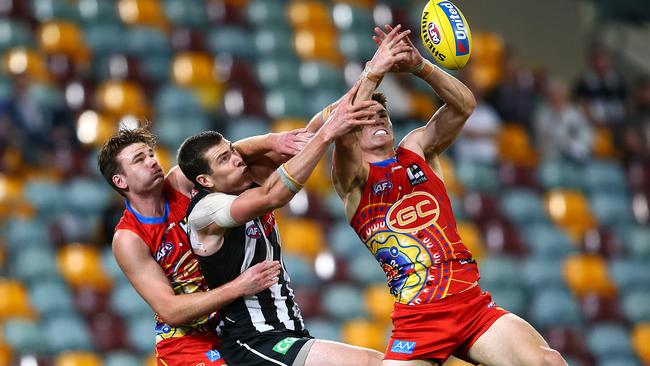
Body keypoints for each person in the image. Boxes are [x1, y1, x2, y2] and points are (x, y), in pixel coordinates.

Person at [319, 24, 567, 365]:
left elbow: (464, 105)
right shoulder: (353, 178)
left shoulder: (416, 148)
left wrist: (421, 66)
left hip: (471, 304)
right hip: (420, 317)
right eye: (366, 118)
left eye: (383, 114)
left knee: (548, 361)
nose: (378, 119)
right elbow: (343, 135)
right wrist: (374, 73)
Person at [176, 80, 398, 366]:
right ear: (205, 181)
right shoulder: (205, 211)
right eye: (224, 159)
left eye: (232, 150)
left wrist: (372, 73)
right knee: (375, 363)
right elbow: (273, 195)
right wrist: (328, 134)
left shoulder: (245, 180)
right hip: (255, 342)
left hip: (287, 333)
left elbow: (309, 134)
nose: (236, 158)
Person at [97, 125, 307, 365]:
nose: (152, 161)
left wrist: (273, 141)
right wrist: (238, 287)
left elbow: (223, 155)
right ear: (120, 181)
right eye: (139, 160)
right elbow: (170, 310)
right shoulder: (129, 239)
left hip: (233, 324)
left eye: (151, 154)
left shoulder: (178, 181)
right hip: (188, 341)